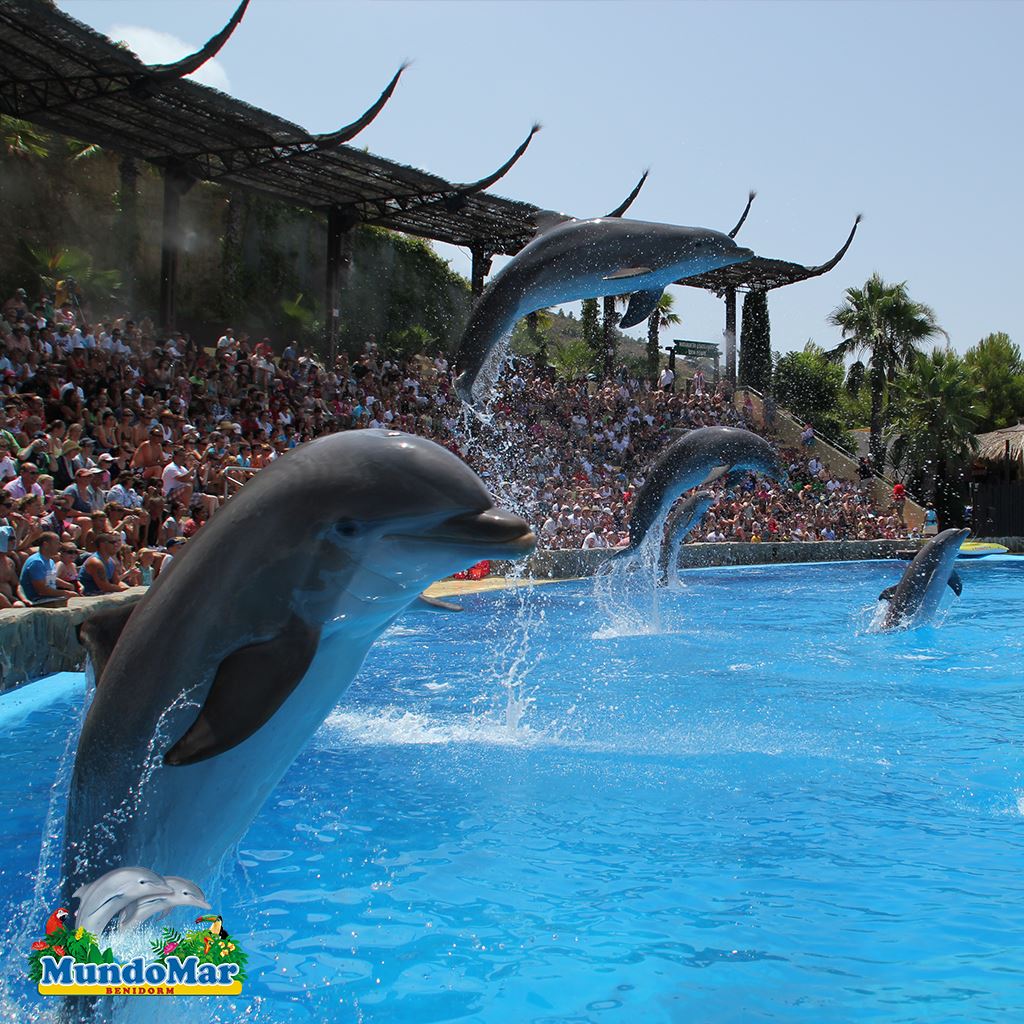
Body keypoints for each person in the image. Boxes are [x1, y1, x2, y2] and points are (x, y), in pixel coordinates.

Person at [19, 532, 76, 605]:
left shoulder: (50, 561)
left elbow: (50, 579)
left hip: (48, 597)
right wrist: (66, 593)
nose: (59, 546)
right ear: (46, 544)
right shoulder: (37, 562)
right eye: (57, 543)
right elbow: (42, 591)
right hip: (37, 600)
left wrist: (69, 586)